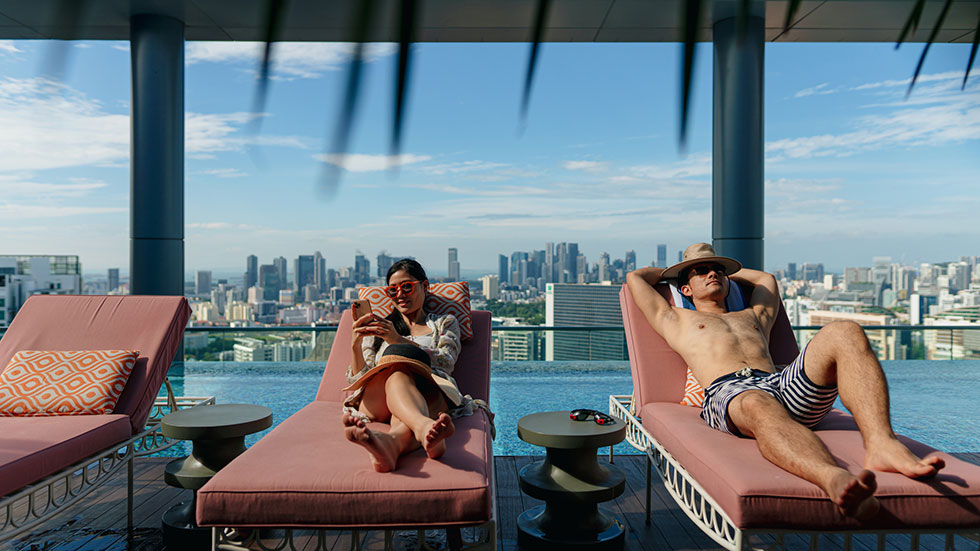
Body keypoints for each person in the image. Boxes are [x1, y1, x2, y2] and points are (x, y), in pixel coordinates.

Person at [626, 243, 945, 521]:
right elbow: (635, 279)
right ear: (684, 289)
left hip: (780, 385)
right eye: (701, 272)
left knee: (844, 330)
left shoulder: (754, 316)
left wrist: (724, 271)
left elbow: (766, 280)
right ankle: (834, 478)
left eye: (718, 270)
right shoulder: (675, 319)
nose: (713, 274)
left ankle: (881, 444)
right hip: (733, 393)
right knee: (756, 401)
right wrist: (676, 270)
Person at [341, 259, 470, 472]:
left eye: (407, 286)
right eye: (393, 290)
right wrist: (355, 344)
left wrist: (397, 340)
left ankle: (390, 444)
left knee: (403, 395)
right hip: (377, 398)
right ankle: (423, 426)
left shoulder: (444, 323)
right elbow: (357, 380)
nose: (400, 294)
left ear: (425, 286)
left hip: (429, 390)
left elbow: (446, 362)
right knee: (397, 368)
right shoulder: (379, 327)